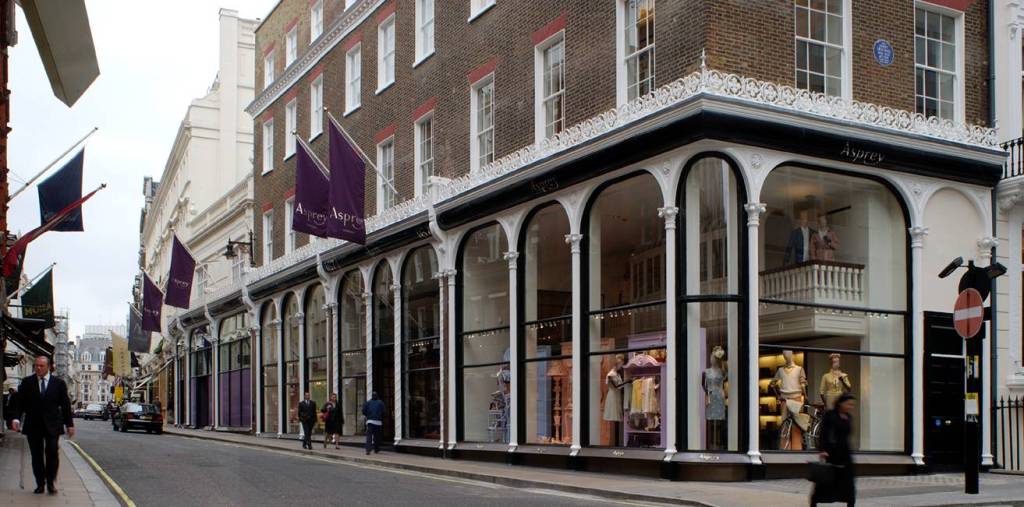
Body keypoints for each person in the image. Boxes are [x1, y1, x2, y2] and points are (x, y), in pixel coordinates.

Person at [11, 355, 75, 495]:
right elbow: (19, 402)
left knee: (52, 453)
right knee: (36, 456)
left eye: (41, 366)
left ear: (49, 367)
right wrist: (16, 418)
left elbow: (65, 405)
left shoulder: (59, 383)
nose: (38, 368)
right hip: (33, 425)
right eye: (36, 366)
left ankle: (51, 482)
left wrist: (69, 424)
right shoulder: (27, 382)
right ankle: (40, 484)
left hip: (53, 424)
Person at [811, 393, 856, 507]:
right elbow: (823, 433)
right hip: (832, 453)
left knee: (849, 483)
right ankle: (814, 501)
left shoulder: (848, 417)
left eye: (852, 405)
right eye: (848, 404)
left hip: (845, 454)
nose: (850, 407)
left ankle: (850, 503)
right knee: (826, 481)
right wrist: (822, 450)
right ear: (841, 403)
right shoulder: (830, 415)